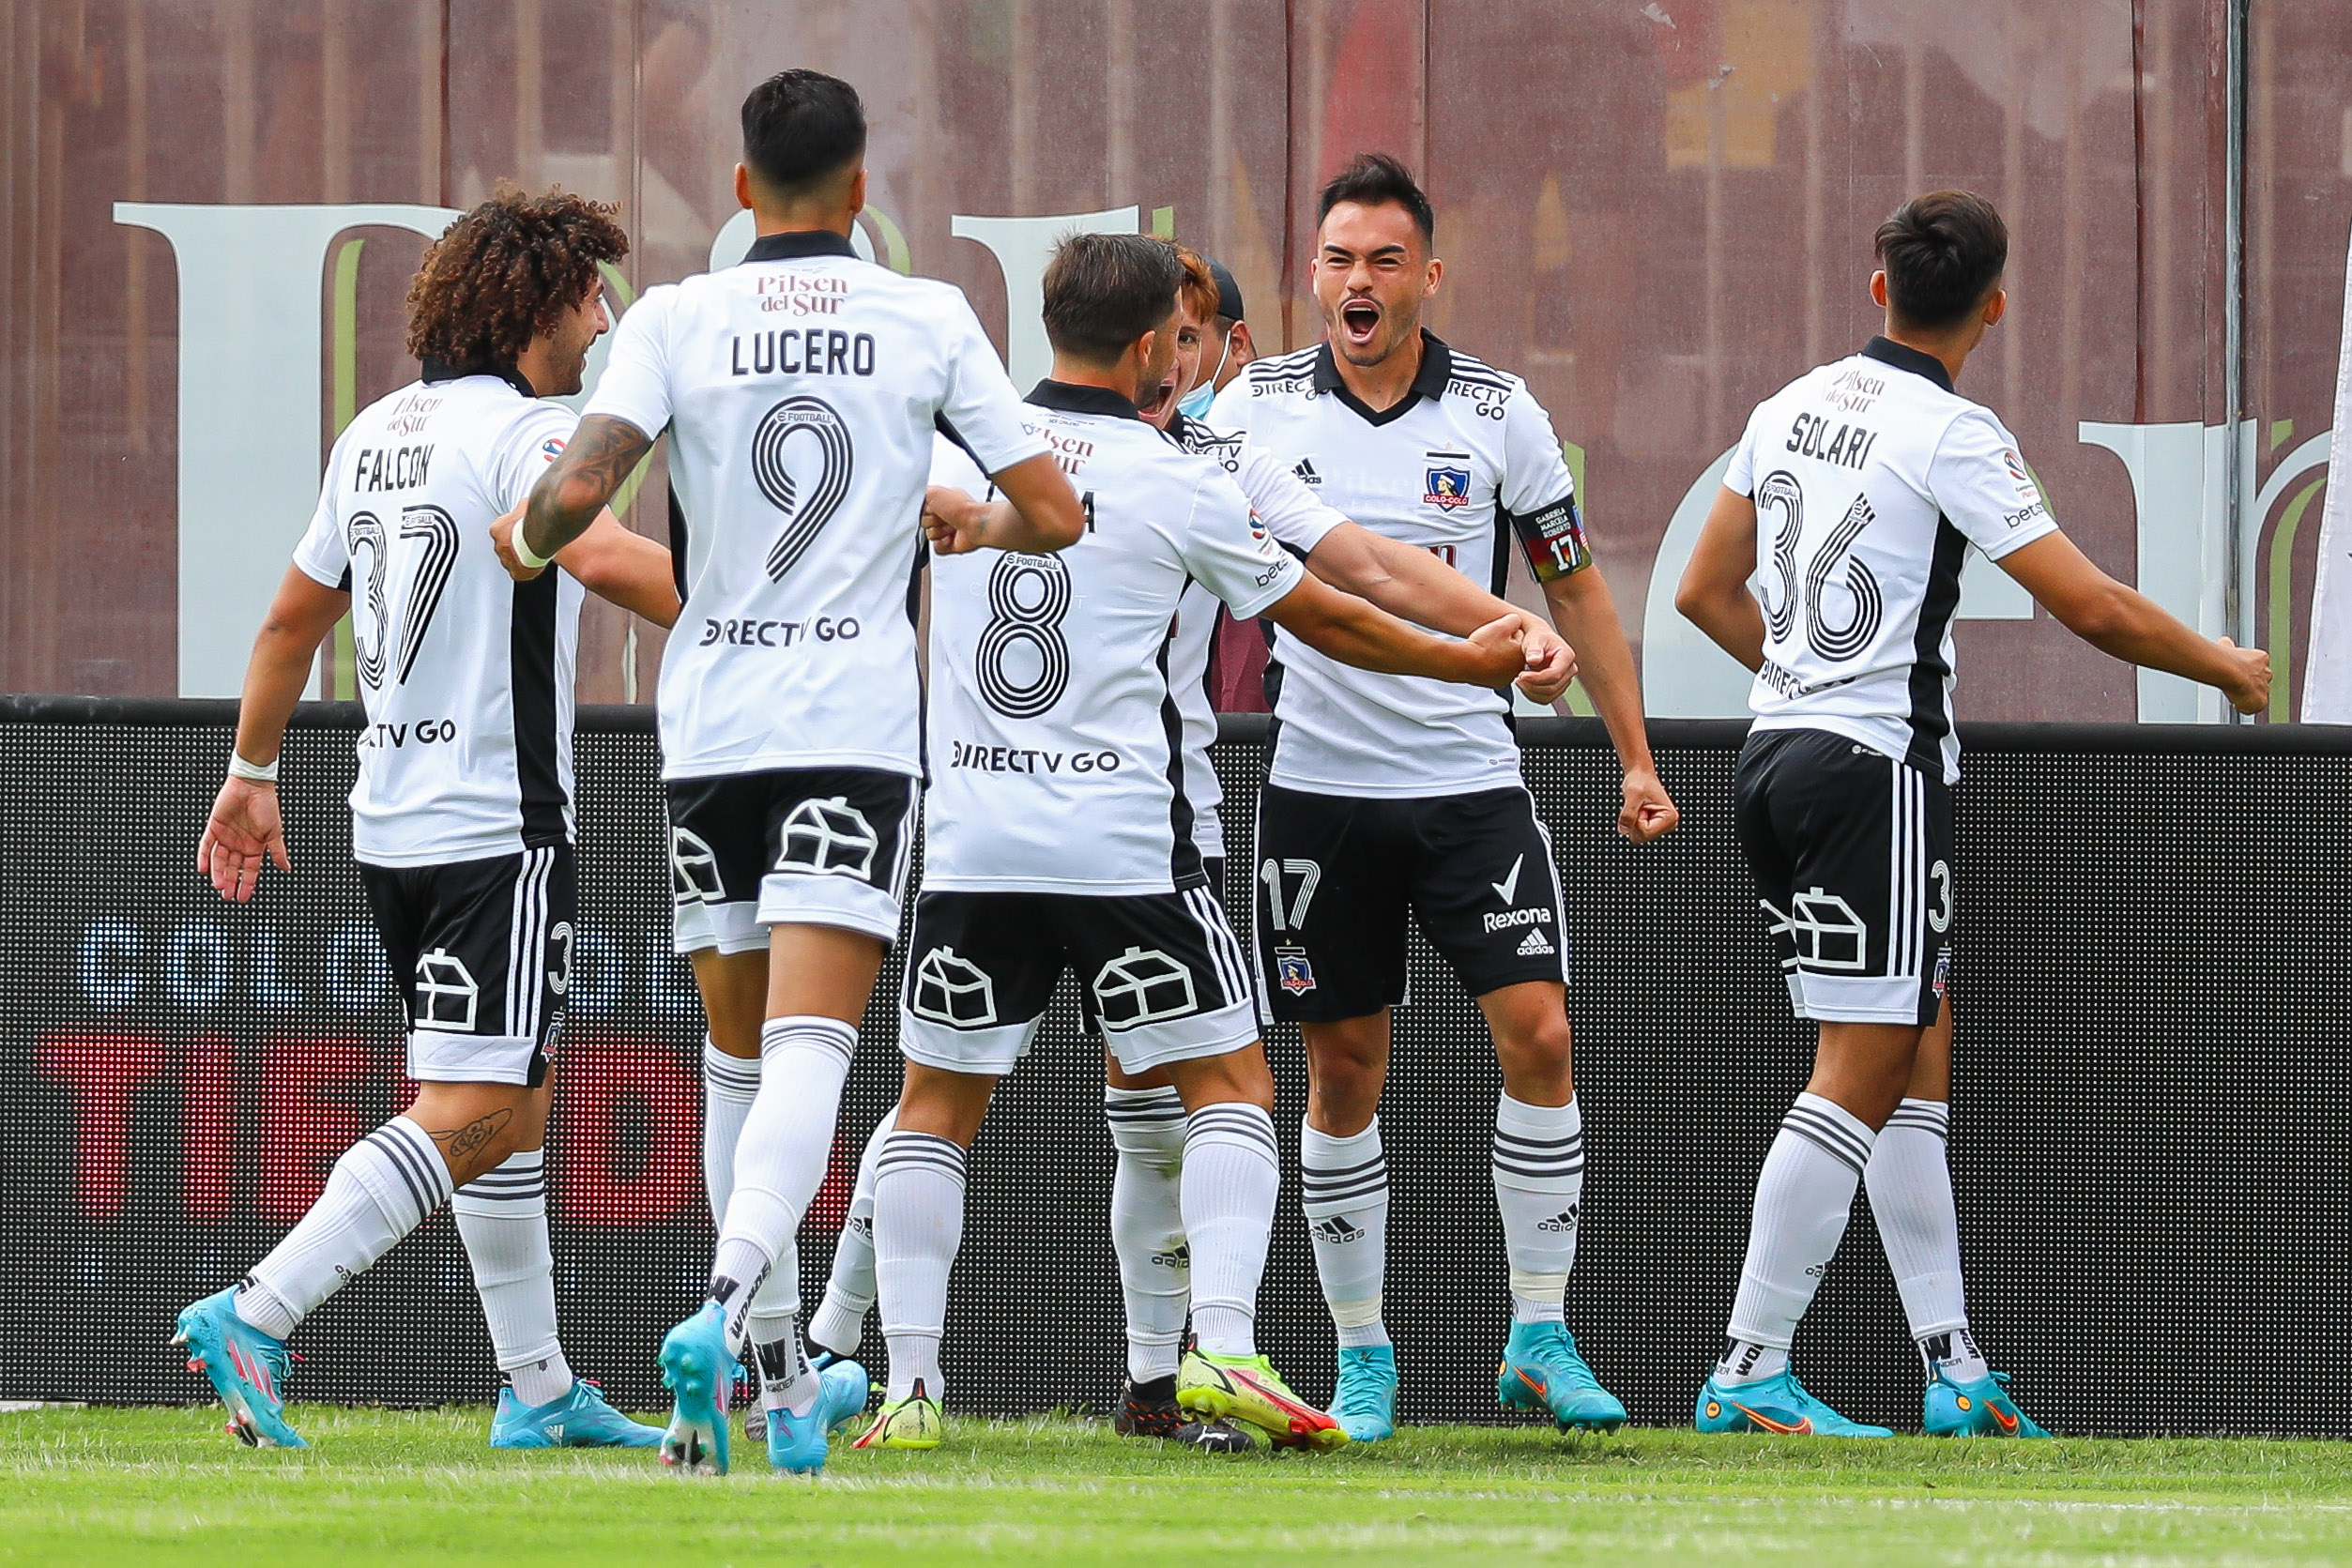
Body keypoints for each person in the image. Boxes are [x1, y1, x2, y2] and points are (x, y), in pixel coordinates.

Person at [796, 241, 1575, 1448]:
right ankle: (1222, 1346)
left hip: (968, 841)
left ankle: (909, 1390)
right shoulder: (1177, 476)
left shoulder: (953, 457)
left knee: (931, 1109)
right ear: (1161, 344)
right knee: (1233, 1090)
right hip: (1125, 848)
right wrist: (1468, 659)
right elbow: (1327, 611)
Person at [499, 69, 1086, 1476]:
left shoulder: (674, 318)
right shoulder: (925, 314)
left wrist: (522, 540)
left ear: (743, 186)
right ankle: (721, 1311)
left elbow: (575, 495)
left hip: (709, 729)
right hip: (851, 724)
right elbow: (1057, 507)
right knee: (818, 1050)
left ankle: (772, 1383)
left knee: (733, 1055)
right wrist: (970, 518)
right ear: (864, 187)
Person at [1675, 189, 2270, 1438]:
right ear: (1993, 302)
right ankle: (1745, 1364)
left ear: (1876, 281)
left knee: (1910, 1053)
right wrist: (2224, 664)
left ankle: (1952, 1368)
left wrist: (1800, 676)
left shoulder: (1785, 404)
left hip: (1777, 755)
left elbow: (1698, 588)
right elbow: (2090, 606)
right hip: (1867, 771)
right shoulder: (1951, 430)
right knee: (1858, 1068)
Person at [174, 188, 680, 1453]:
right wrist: (782, 619)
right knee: (477, 1106)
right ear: (535, 308)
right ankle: (257, 1308)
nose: (605, 319)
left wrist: (250, 770)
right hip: (492, 825)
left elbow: (293, 619)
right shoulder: (530, 434)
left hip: (389, 823)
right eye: (589, 296)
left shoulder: (375, 433)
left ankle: (538, 1384)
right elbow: (610, 558)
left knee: (515, 1097)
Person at [1204, 153, 1675, 1440]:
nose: (1358, 283)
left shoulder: (1498, 410)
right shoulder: (1254, 405)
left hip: (1473, 782)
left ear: (1428, 274)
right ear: (1313, 273)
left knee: (1539, 1035)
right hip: (1319, 789)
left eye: (1383, 261)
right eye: (1338, 260)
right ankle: (1362, 1355)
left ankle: (1537, 1330)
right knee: (1343, 1067)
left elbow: (1570, 586)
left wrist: (1633, 757)